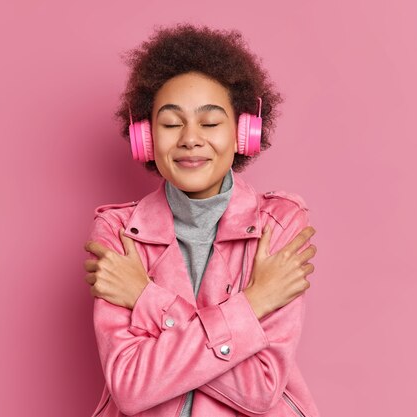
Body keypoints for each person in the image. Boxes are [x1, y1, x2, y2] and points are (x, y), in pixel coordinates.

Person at [83, 24, 319, 417]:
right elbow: (130, 387)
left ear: (244, 132)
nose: (190, 138)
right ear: (146, 136)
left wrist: (147, 299)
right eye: (172, 123)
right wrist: (256, 302)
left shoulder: (279, 224)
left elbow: (259, 389)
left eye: (209, 123)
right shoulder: (117, 233)